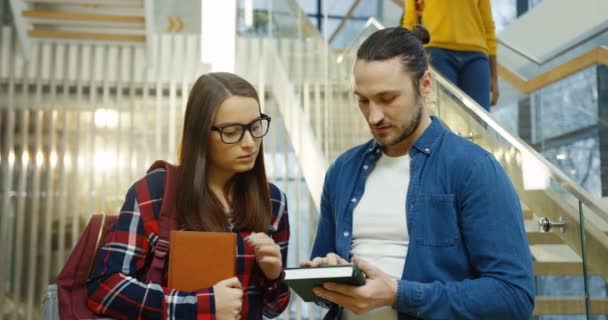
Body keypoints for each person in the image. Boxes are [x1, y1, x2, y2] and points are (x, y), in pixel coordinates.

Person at [301, 27, 534, 319]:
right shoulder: (342, 170)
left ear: (425, 84)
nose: (374, 116)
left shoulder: (473, 169)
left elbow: (514, 296)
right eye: (363, 100)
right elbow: (320, 294)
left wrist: (399, 294)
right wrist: (329, 277)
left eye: (387, 98)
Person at [86, 72, 290, 320]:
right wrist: (199, 306)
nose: (249, 143)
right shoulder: (157, 192)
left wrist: (274, 275)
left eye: (255, 126)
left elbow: (273, 308)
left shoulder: (273, 201)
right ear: (201, 133)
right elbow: (105, 289)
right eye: (232, 131)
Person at [402, 0, 499, 110]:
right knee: (445, 116)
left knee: (479, 121)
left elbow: (488, 25)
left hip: (476, 56)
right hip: (437, 52)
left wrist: (494, 78)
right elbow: (410, 20)